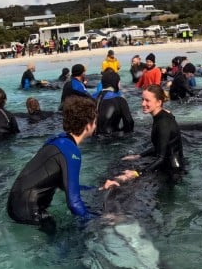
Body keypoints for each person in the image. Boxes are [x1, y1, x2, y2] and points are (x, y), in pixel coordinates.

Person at [8, 96, 131, 230]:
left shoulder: (57, 140)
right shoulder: (71, 151)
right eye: (95, 121)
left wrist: (97, 188)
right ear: (88, 124)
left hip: (15, 204)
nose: (96, 124)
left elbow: (64, 185)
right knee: (75, 241)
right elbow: (74, 204)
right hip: (29, 211)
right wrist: (103, 219)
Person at [121, 84, 185, 181]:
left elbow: (161, 158)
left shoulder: (163, 123)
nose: (143, 104)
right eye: (142, 99)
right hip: (169, 165)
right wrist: (139, 156)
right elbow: (161, 146)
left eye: (147, 100)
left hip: (173, 172)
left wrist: (138, 173)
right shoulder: (162, 116)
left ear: (159, 102)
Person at [95, 69, 135, 136]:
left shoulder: (90, 97)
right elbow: (129, 122)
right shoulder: (120, 100)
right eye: (119, 82)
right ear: (115, 83)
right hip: (112, 140)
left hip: (93, 138)